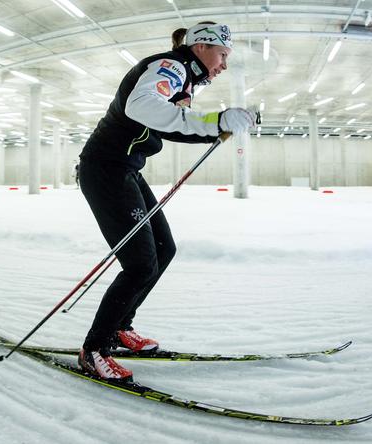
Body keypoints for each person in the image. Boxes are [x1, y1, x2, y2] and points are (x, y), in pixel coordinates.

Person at [77, 22, 256, 381]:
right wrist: (217, 120)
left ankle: (119, 327)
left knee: (164, 248)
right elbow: (141, 106)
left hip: (125, 170)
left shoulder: (183, 79)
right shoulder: (170, 67)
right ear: (202, 47)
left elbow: (173, 125)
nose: (223, 65)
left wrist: (218, 126)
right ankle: (94, 349)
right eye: (222, 55)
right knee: (140, 264)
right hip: (105, 170)